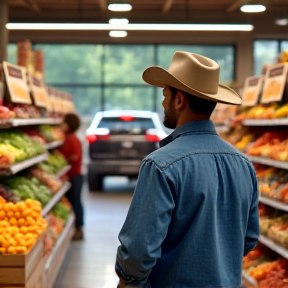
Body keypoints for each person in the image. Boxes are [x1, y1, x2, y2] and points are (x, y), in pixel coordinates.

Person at [115, 52, 259, 288]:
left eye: (165, 95)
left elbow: (138, 251)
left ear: (179, 99)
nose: (163, 103)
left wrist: (128, 280)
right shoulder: (243, 164)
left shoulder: (160, 165)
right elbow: (249, 238)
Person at [58, 113, 84, 240]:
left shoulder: (70, 139)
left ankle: (79, 228)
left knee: (75, 202)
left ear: (68, 125)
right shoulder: (72, 138)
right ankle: (77, 227)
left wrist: (64, 160)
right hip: (75, 176)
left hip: (74, 176)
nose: (61, 126)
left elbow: (75, 157)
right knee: (75, 202)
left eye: (63, 123)